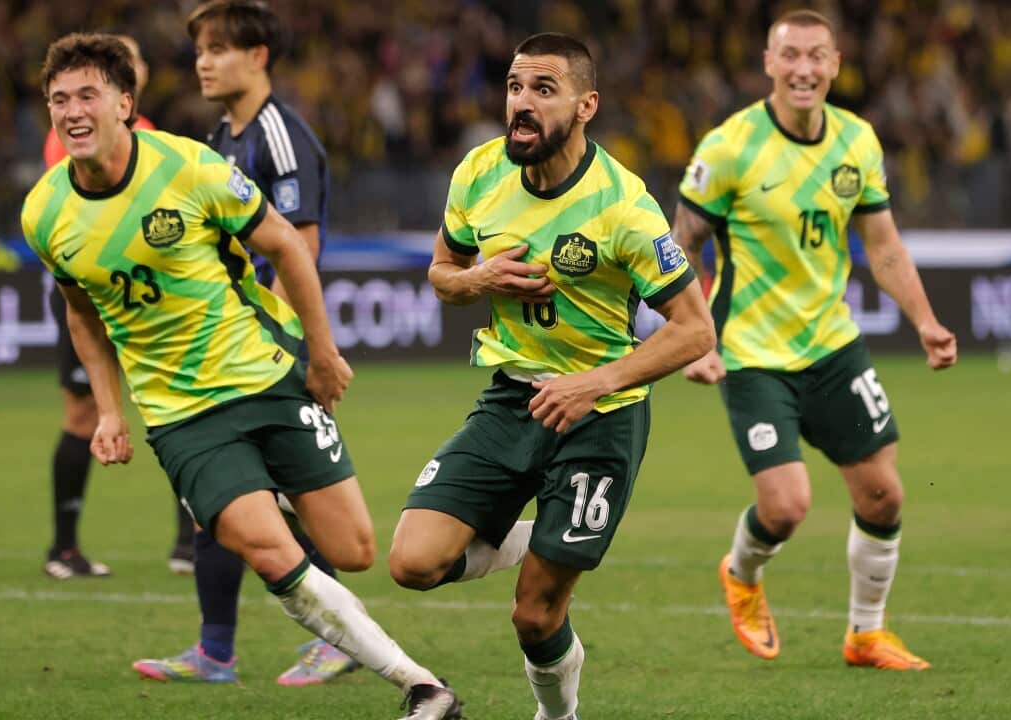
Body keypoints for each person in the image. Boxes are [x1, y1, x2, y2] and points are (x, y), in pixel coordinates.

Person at [21, 33, 461, 719]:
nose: (72, 111)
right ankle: (422, 686)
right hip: (183, 415)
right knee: (270, 551)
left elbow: (285, 242)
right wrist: (110, 411)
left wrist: (321, 351)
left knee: (355, 548)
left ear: (124, 104)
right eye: (58, 100)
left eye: (87, 96)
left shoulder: (189, 168)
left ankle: (261, 498)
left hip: (265, 375)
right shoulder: (44, 212)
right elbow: (82, 312)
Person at [387, 33, 714, 720]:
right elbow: (442, 274)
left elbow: (694, 330)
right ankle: (526, 534)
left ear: (585, 105)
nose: (522, 104)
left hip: (602, 415)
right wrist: (476, 278)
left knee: (534, 618)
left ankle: (558, 715)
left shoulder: (623, 206)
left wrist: (593, 383)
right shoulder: (478, 173)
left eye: (543, 89)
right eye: (514, 87)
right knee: (411, 564)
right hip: (512, 397)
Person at [673, 9, 957, 671]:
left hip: (832, 345)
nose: (803, 68)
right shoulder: (729, 146)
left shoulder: (857, 141)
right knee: (787, 505)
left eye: (816, 56)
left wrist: (925, 320)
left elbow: (883, 247)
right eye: (790, 55)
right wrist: (696, 337)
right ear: (769, 64)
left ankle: (865, 635)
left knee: (884, 493)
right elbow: (681, 246)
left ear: (835, 64)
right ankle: (742, 575)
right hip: (751, 351)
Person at [131, 0, 357, 687]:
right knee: (216, 502)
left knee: (284, 497)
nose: (203, 61)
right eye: (199, 49)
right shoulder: (219, 138)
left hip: (268, 351)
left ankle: (337, 636)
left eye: (219, 48)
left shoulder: (279, 138)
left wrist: (292, 350)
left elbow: (302, 246)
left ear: (258, 56)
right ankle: (216, 650)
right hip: (227, 349)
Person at [39, 32, 195, 580]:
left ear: (128, 88)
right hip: (92, 294)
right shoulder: (72, 137)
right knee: (82, 416)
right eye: (65, 98)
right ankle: (63, 547)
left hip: (150, 302)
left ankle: (188, 542)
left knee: (182, 407)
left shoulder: (154, 141)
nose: (74, 109)